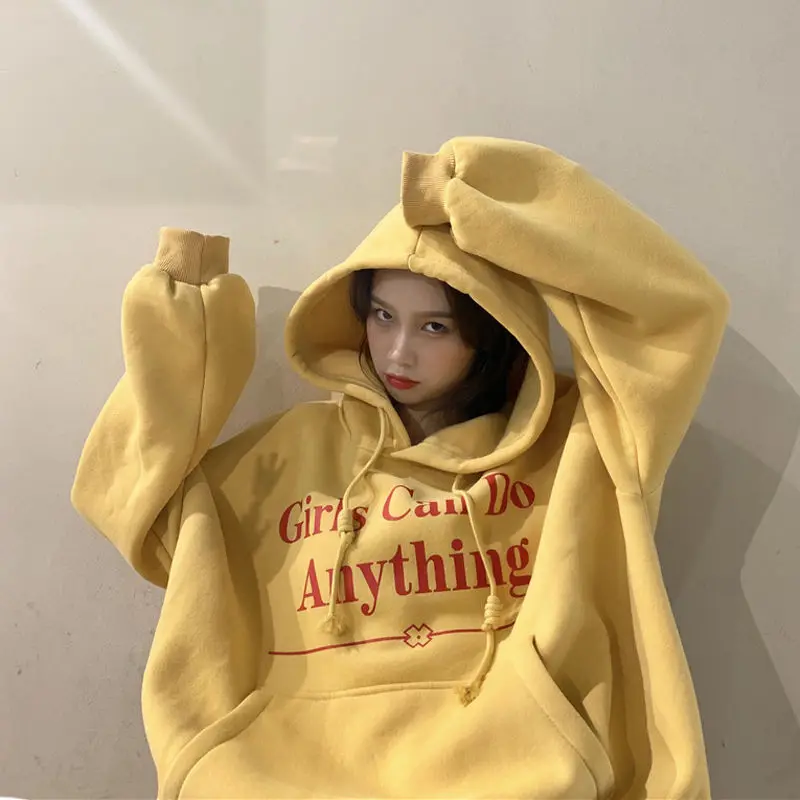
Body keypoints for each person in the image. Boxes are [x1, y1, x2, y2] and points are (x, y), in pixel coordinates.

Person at [72, 136, 729, 799]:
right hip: (282, 778)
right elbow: (133, 499)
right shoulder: (289, 449)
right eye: (383, 316)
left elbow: (678, 313)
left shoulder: (587, 443)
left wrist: (476, 197)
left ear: (492, 334)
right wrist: (182, 323)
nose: (397, 353)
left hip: (522, 780)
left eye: (435, 327)